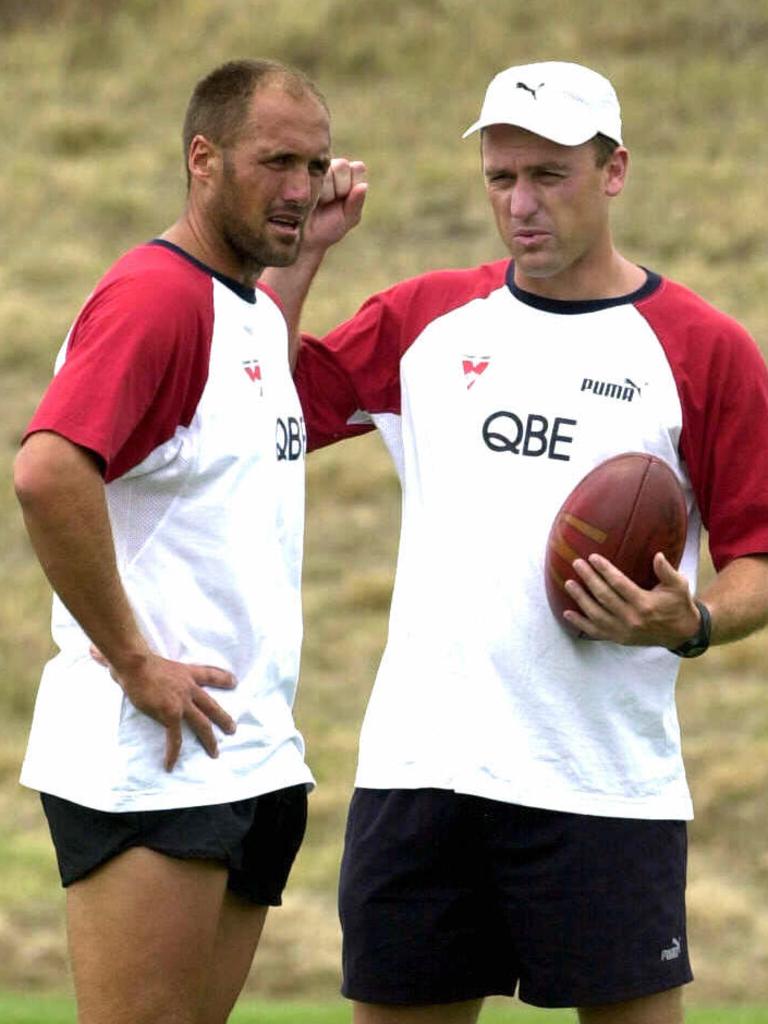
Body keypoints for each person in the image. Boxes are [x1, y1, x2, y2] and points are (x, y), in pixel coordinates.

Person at [268, 61, 768, 1024]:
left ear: (614, 170)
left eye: (551, 175)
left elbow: (758, 559)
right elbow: (263, 404)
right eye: (502, 178)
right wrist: (302, 260)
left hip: (602, 786)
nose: (521, 204)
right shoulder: (428, 319)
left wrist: (693, 620)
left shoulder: (703, 349)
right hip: (421, 776)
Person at [13, 58, 366, 1024]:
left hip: (246, 750)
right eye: (276, 162)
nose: (300, 187)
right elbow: (48, 473)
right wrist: (133, 660)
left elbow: (241, 390)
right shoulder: (154, 297)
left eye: (317, 163)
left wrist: (305, 258)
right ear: (201, 159)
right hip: (154, 754)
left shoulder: (239, 302)